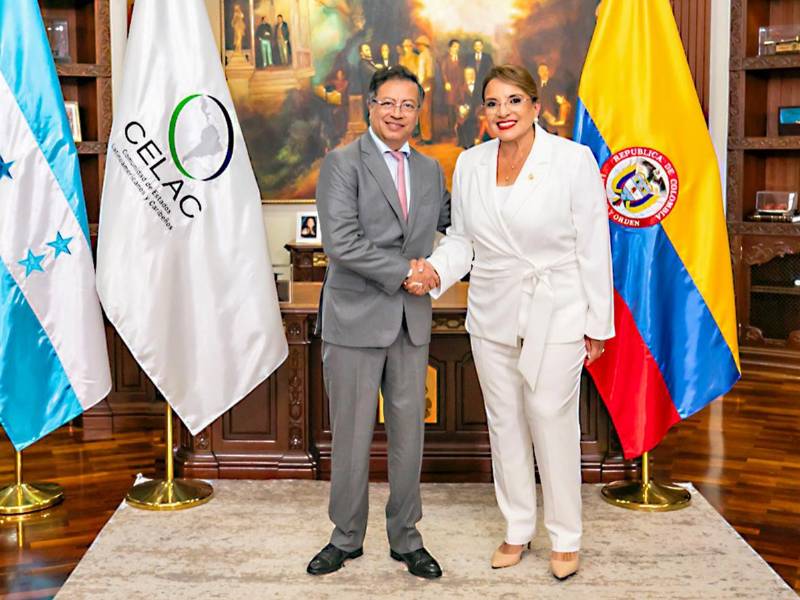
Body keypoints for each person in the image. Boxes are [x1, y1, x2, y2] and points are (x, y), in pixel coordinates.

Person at [412, 64, 614, 581]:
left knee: (550, 417)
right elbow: (463, 240)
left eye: (514, 101)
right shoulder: (470, 163)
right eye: (493, 103)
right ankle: (518, 527)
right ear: (483, 111)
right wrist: (435, 269)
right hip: (492, 311)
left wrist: (597, 323)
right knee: (504, 423)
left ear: (535, 106)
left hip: (558, 308)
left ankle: (565, 536)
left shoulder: (572, 160)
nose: (503, 112)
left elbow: (594, 245)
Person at [307, 65, 450, 580]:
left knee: (410, 437)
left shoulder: (431, 170)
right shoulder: (342, 163)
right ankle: (345, 537)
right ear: (370, 106)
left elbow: (455, 226)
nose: (397, 113)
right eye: (388, 103)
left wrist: (439, 269)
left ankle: (406, 538)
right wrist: (408, 272)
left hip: (410, 323)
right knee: (351, 435)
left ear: (418, 112)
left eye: (408, 105)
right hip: (354, 319)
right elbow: (341, 243)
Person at [441, 39, 464, 134]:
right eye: (454, 47)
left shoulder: (461, 59)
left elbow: (462, 72)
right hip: (450, 86)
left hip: (459, 86)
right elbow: (443, 72)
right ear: (450, 48)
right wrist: (446, 82)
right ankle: (451, 129)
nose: (456, 49)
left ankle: (458, 128)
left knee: (458, 107)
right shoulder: (445, 59)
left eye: (458, 47)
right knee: (450, 106)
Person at [415, 35, 434, 144]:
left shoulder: (426, 56)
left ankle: (427, 138)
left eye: (419, 45)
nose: (418, 47)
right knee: (422, 112)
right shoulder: (424, 55)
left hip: (426, 87)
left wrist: (425, 85)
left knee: (425, 112)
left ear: (423, 45)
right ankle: (424, 136)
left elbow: (429, 74)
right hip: (422, 86)